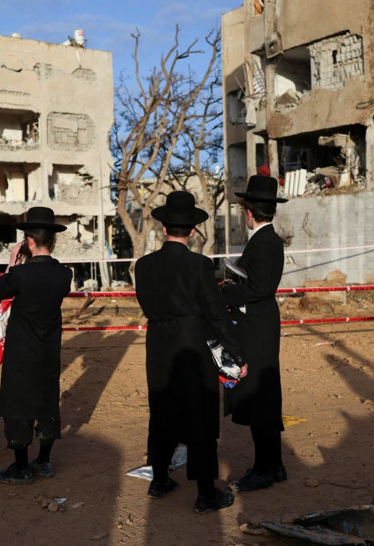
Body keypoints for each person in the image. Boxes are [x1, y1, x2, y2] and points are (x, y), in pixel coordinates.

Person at [135, 191, 246, 514]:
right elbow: (217, 315)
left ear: (163, 228)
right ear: (193, 230)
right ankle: (206, 493)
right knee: (200, 418)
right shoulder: (199, 265)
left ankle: (159, 480)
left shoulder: (143, 265)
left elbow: (146, 303)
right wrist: (237, 355)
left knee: (162, 413)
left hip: (158, 344)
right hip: (192, 345)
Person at [0, 207, 73, 486]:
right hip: (49, 349)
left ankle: (21, 466)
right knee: (47, 402)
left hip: (21, 350)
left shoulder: (20, 274)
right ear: (52, 240)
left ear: (29, 241)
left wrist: (13, 264)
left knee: (18, 405)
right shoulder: (64, 274)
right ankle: (44, 461)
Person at [221, 175, 288, 493]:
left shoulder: (263, 241)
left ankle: (264, 469)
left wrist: (225, 292)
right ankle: (274, 465)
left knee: (259, 399)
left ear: (249, 212)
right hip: (262, 324)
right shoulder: (269, 239)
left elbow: (259, 288)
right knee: (266, 397)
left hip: (256, 328)